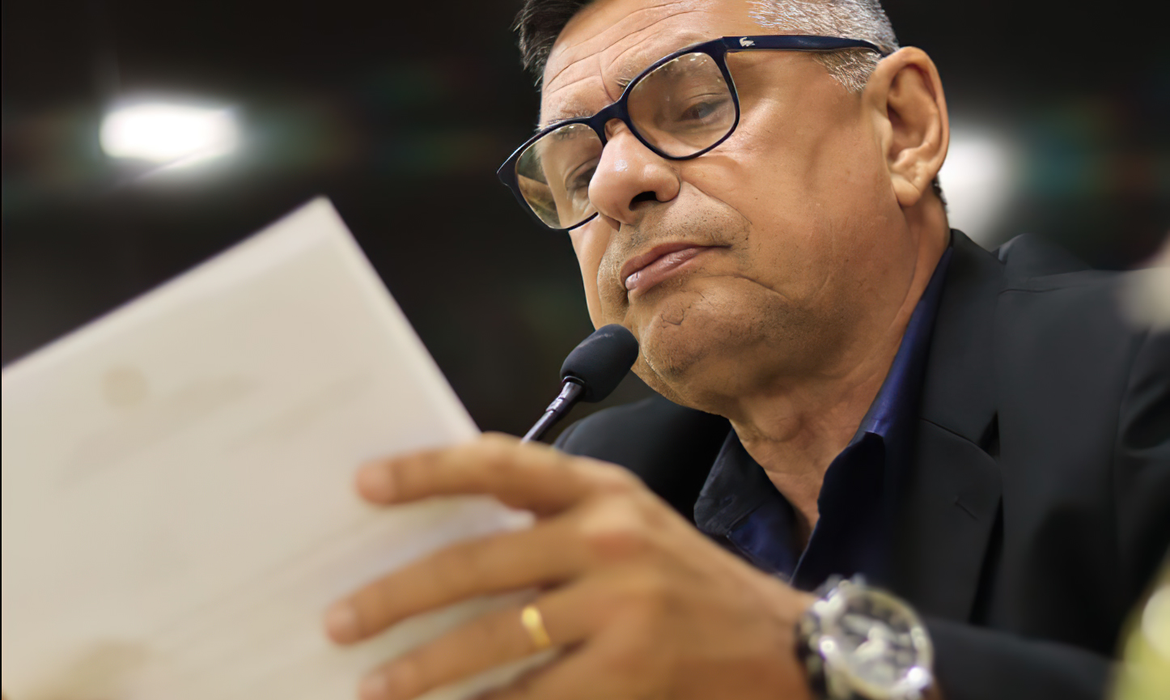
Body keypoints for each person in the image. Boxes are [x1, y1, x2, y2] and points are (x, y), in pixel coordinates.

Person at [322, 1, 1170, 698]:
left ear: (901, 126)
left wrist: (808, 661)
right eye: (577, 175)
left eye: (695, 107)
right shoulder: (615, 486)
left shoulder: (1138, 373)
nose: (616, 184)